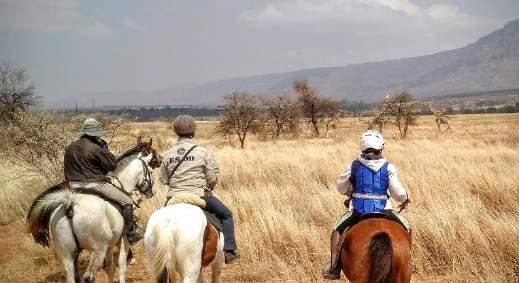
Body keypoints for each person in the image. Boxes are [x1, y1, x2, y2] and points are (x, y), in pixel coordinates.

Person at [322, 130, 411, 280]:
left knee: (336, 230)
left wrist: (351, 189)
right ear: (380, 148)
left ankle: (333, 266)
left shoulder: (353, 166)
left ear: (362, 148)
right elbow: (397, 193)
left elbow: (341, 188)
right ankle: (409, 261)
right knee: (407, 227)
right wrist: (405, 196)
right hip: (384, 210)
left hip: (357, 210)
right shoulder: (389, 167)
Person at [159, 115, 239, 264]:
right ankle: (229, 251)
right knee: (227, 215)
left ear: (176, 132)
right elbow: (212, 177)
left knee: (160, 222)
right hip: (199, 195)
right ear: (193, 131)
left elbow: (163, 179)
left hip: (174, 197)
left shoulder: (168, 154)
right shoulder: (203, 152)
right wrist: (209, 185)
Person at [64, 117, 143, 245]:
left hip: (72, 185)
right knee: (127, 200)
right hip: (94, 185)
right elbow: (111, 166)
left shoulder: (71, 147)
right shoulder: (96, 148)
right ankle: (131, 234)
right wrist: (104, 150)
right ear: (96, 134)